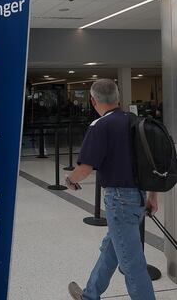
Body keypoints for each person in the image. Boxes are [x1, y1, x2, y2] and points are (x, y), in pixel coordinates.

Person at [65, 79, 158, 300]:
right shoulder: (136, 121)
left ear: (92, 100)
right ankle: (90, 295)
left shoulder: (100, 125)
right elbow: (152, 165)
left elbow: (85, 167)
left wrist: (70, 180)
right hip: (138, 196)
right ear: (118, 97)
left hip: (119, 200)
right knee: (111, 249)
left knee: (133, 265)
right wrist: (152, 197)